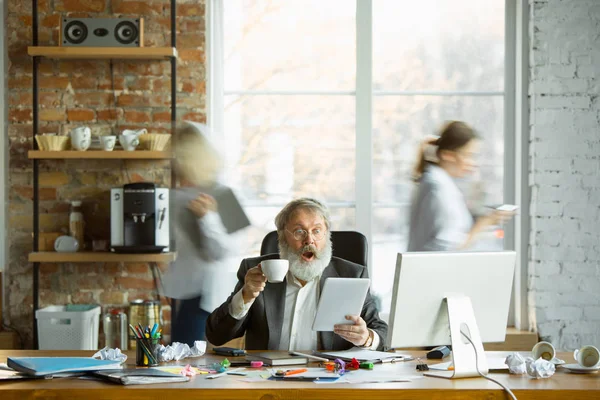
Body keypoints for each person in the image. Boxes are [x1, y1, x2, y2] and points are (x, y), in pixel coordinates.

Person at [206, 198, 388, 351]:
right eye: (299, 231)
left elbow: (382, 335)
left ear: (327, 236)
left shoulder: (352, 274)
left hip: (330, 378)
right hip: (267, 380)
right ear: (282, 237)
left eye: (317, 231)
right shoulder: (255, 272)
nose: (309, 240)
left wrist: (367, 338)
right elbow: (216, 335)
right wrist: (245, 296)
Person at [161, 121, 231, 346]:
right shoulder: (178, 197)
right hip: (188, 293)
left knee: (185, 363)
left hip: (209, 295)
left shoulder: (224, 195)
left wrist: (207, 219)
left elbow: (226, 252)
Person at [407, 121, 514, 252]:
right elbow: (449, 248)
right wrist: (483, 224)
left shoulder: (438, 182)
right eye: (469, 155)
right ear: (448, 155)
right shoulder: (438, 188)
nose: (473, 163)